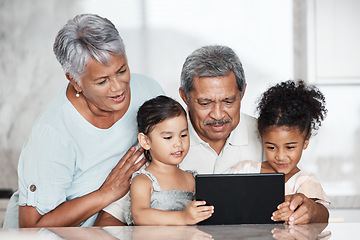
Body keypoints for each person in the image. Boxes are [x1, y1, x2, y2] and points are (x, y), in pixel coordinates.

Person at [3, 13, 164, 228]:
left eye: (122, 70)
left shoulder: (149, 92)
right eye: (102, 81)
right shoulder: (53, 133)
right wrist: (106, 193)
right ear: (74, 80)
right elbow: (31, 228)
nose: (118, 87)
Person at [178, 45, 329, 224]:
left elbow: (313, 206)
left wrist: (310, 210)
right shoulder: (165, 138)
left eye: (228, 101)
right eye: (205, 103)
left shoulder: (270, 134)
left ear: (242, 94)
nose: (218, 115)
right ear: (185, 97)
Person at [230, 80, 331, 224]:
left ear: (306, 141)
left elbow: (322, 215)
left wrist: (310, 210)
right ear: (262, 139)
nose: (280, 156)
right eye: (271, 147)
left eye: (289, 147)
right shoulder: (244, 170)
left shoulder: (305, 180)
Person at [124, 95, 214, 225]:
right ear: (145, 141)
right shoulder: (144, 181)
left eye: (183, 135)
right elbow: (140, 214)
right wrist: (183, 217)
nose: (178, 143)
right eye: (168, 137)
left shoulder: (192, 179)